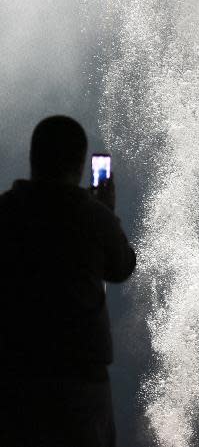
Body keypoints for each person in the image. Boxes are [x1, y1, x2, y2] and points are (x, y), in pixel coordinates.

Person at [0, 115, 136, 447]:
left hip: (14, 377)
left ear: (33, 159)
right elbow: (121, 267)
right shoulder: (93, 217)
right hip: (81, 383)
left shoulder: (5, 212)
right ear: (79, 166)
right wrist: (107, 210)